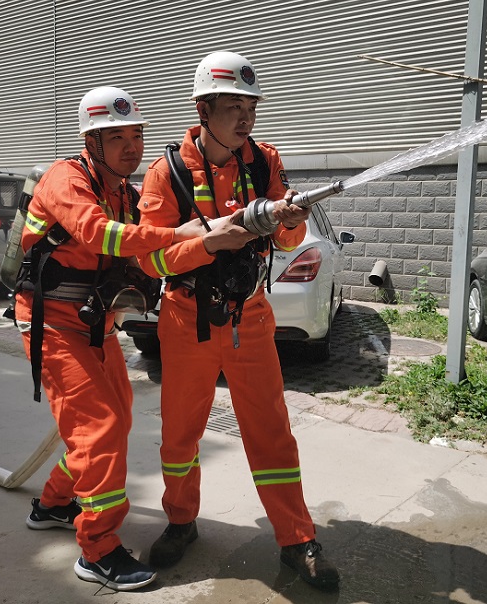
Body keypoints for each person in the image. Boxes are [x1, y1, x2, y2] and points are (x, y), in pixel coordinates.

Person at [136, 51, 340, 590]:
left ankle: (297, 539)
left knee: (273, 433)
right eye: (233, 108)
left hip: (250, 316)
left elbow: (289, 240)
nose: (246, 118)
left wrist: (291, 220)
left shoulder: (264, 162)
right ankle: (181, 522)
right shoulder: (165, 173)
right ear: (203, 110)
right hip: (187, 319)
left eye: (251, 108)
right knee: (180, 436)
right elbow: (150, 259)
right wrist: (208, 243)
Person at [14, 86, 208, 591]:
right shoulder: (66, 179)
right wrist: (181, 235)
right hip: (51, 325)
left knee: (116, 417)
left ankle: (54, 504)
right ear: (90, 141)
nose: (131, 147)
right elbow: (101, 235)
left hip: (93, 324)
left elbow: (145, 251)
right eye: (116, 137)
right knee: (99, 428)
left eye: (136, 136)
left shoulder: (124, 190)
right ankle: (97, 550)